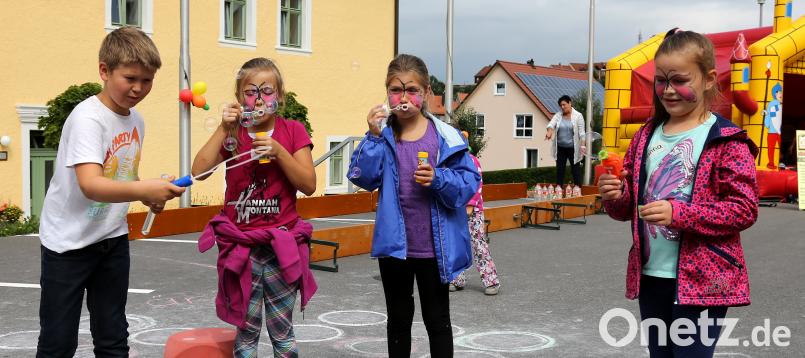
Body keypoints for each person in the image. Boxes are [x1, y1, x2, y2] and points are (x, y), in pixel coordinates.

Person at [598, 29, 759, 357]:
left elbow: (744, 209)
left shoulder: (728, 139)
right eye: (660, 80)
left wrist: (679, 214)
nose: (668, 90)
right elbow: (627, 207)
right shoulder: (645, 135)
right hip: (651, 275)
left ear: (709, 79)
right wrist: (615, 196)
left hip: (703, 280)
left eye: (679, 80)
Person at [37, 26, 186, 357]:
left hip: (111, 239)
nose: (138, 88)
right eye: (130, 78)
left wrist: (149, 194)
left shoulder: (137, 121)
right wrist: (144, 187)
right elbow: (91, 184)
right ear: (104, 70)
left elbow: (119, 174)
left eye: (147, 80)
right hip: (68, 245)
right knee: (58, 341)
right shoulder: (87, 119)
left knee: (113, 335)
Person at [348, 54, 480, 358]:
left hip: (435, 248)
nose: (403, 97)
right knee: (397, 321)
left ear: (427, 93)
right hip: (396, 247)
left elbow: (468, 184)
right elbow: (362, 177)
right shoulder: (383, 136)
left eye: (411, 90)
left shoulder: (445, 136)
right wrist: (371, 136)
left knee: (438, 321)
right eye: (396, 90)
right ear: (387, 94)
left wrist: (438, 178)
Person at [192, 57, 317, 357]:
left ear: (280, 96)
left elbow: (309, 184)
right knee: (246, 333)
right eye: (250, 92)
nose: (259, 99)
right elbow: (199, 171)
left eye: (267, 91)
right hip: (241, 248)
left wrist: (279, 153)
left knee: (282, 333)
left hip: (280, 247)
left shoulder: (292, 131)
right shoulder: (233, 133)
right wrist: (224, 128)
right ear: (239, 99)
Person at [449, 131, 500, 296]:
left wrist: (470, 206)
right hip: (456, 211)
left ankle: (491, 281)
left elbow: (476, 186)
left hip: (473, 212)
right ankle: (457, 279)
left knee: (479, 246)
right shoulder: (449, 163)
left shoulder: (472, 161)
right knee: (456, 246)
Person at [545, 95, 586, 186]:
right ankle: (558, 189)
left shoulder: (578, 116)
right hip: (560, 148)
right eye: (561, 105)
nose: (562, 107)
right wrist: (549, 132)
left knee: (575, 170)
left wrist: (583, 145)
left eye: (564, 104)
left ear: (570, 103)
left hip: (573, 148)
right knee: (560, 170)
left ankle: (578, 189)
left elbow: (582, 133)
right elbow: (551, 125)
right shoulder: (558, 115)